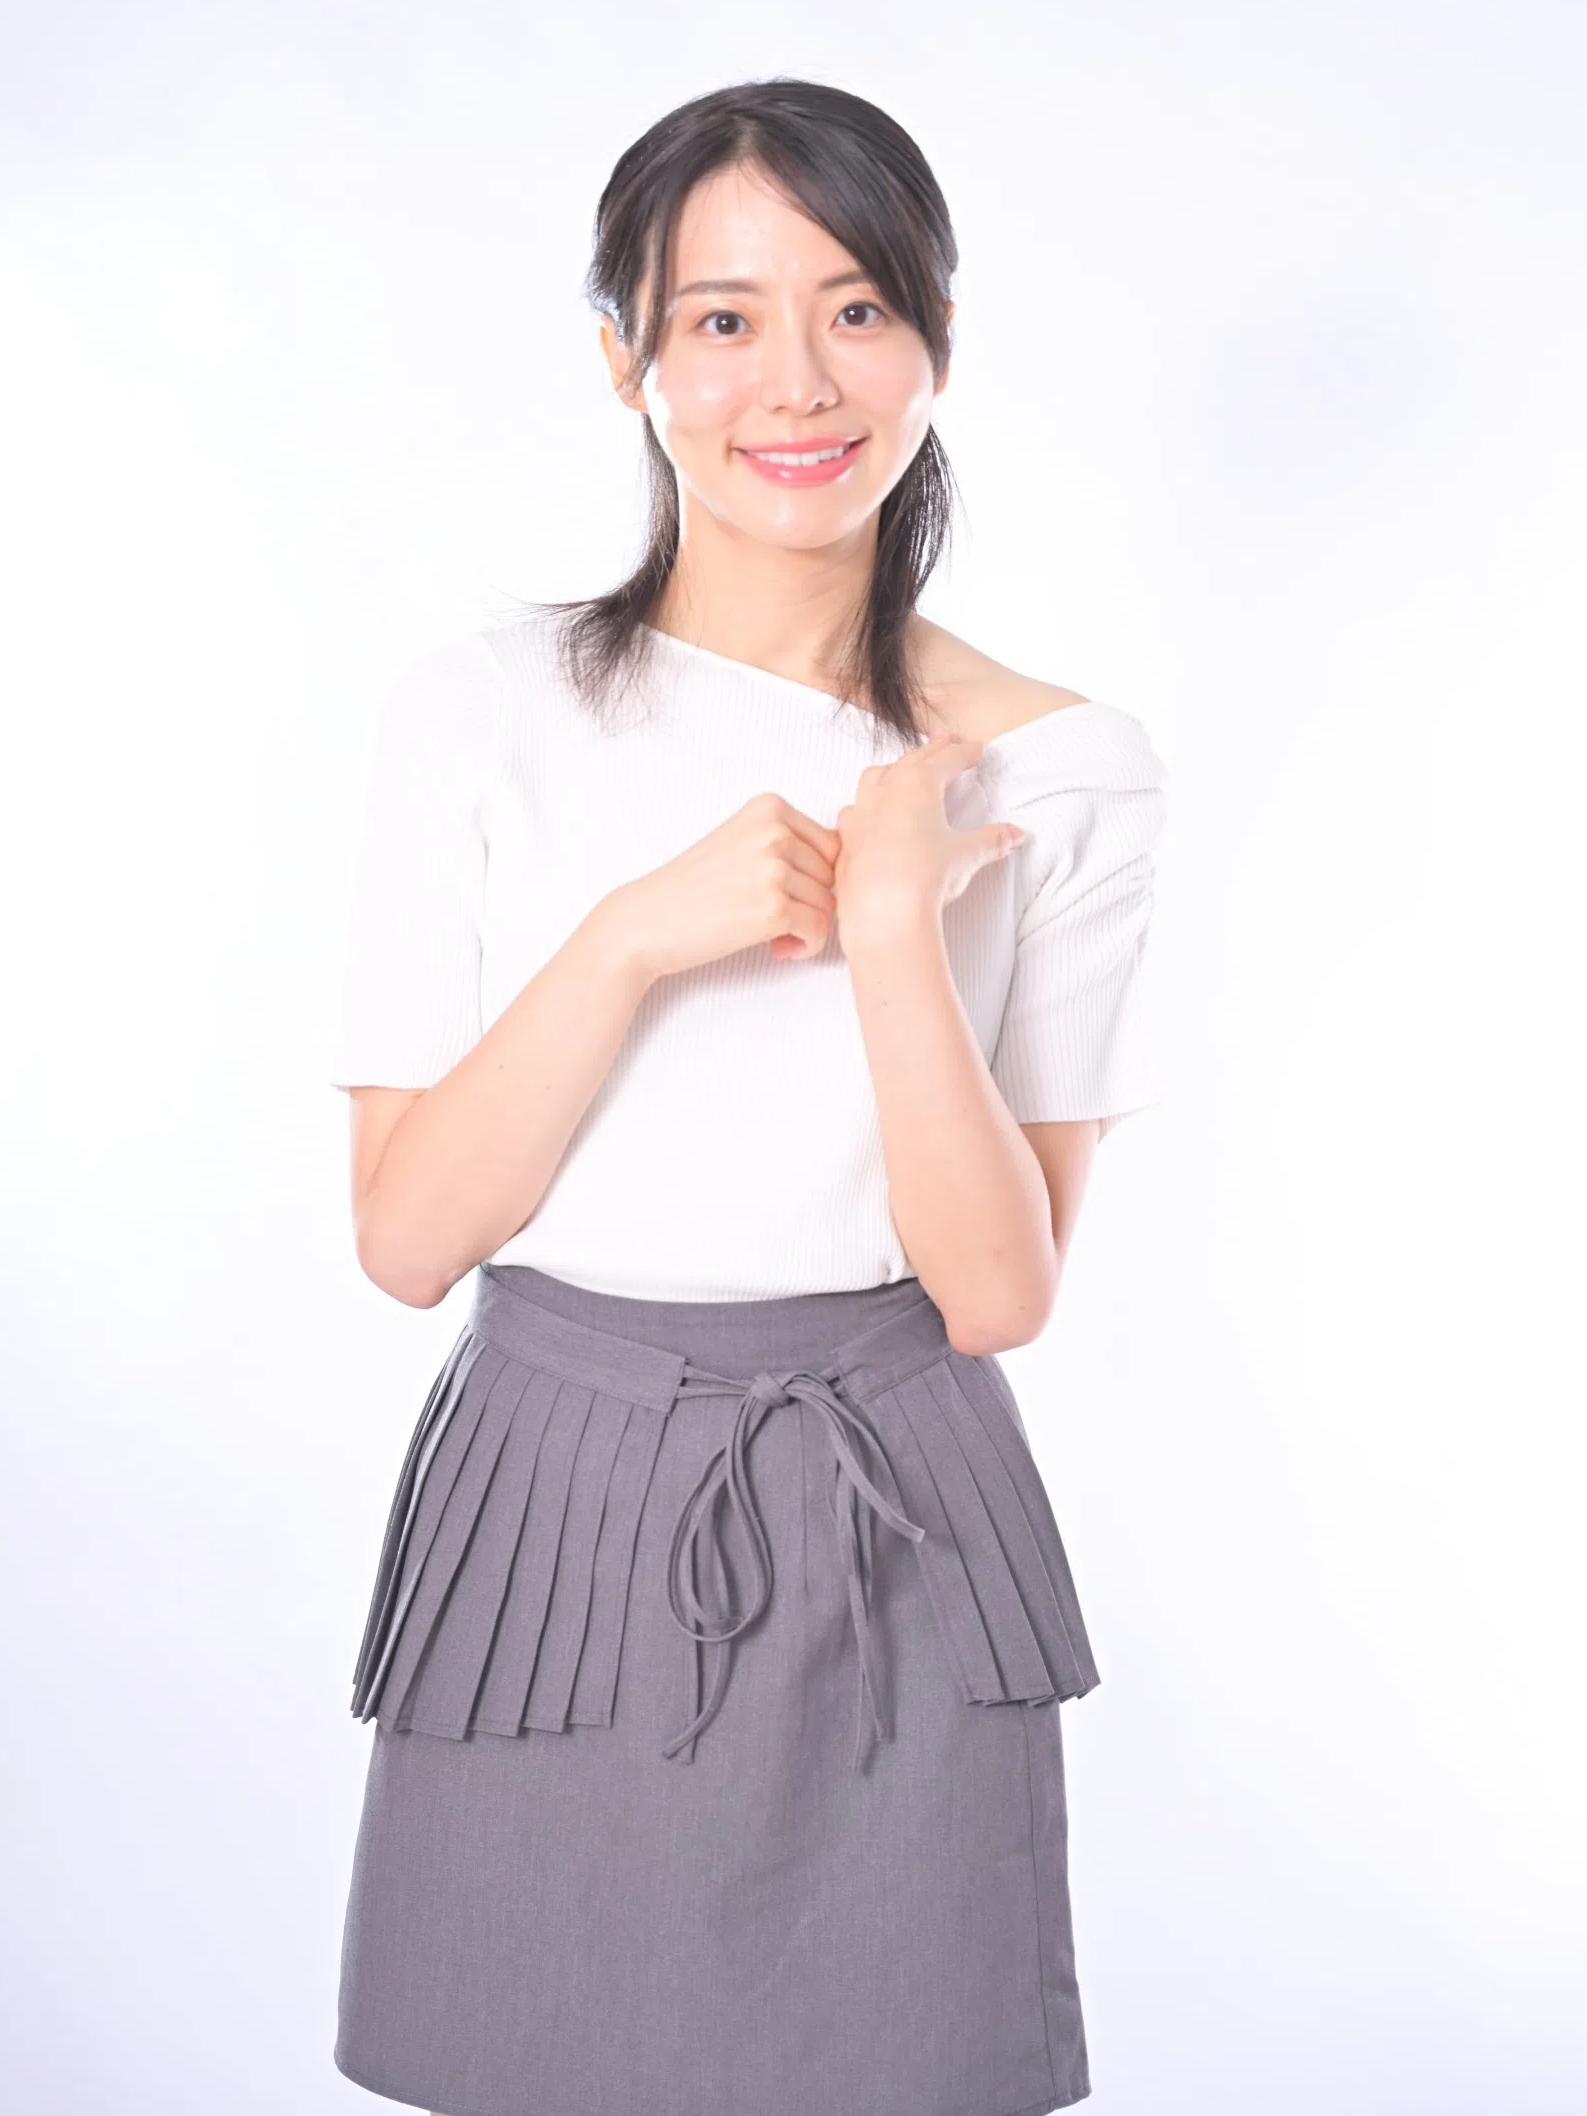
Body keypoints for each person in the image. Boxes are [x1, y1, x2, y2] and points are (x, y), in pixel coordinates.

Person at [328, 77, 1168, 2116]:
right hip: (546, 1491)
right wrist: (633, 931)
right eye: (720, 318)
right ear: (625, 357)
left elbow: (996, 1293)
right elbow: (408, 1236)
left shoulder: (1063, 770)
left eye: (856, 307)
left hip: (894, 1497)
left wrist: (890, 929)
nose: (795, 380)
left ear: (935, 340)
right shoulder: (481, 708)